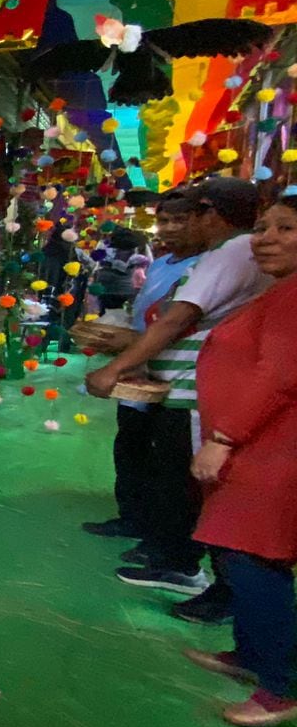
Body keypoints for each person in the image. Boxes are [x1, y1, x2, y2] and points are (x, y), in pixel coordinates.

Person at [88, 178, 271, 617]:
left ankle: (185, 566)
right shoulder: (229, 254)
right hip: (190, 382)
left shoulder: (232, 252)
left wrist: (115, 368)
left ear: (211, 214)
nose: (269, 240)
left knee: (187, 480)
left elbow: (176, 319)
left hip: (196, 387)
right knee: (173, 474)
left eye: (190, 215)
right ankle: (173, 556)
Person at [184, 193, 297, 727]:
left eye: (286, 229)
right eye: (262, 227)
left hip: (271, 449)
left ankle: (279, 688)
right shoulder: (281, 291)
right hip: (259, 444)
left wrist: (225, 437)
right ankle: (251, 655)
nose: (266, 239)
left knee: (254, 558)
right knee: (238, 553)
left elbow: (278, 376)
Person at [82, 193, 200, 541]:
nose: (170, 228)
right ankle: (132, 517)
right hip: (138, 369)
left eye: (179, 220)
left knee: (166, 459)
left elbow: (173, 324)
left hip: (174, 376)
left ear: (199, 221)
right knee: (130, 444)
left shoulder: (204, 266)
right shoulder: (161, 263)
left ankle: (162, 538)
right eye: (164, 221)